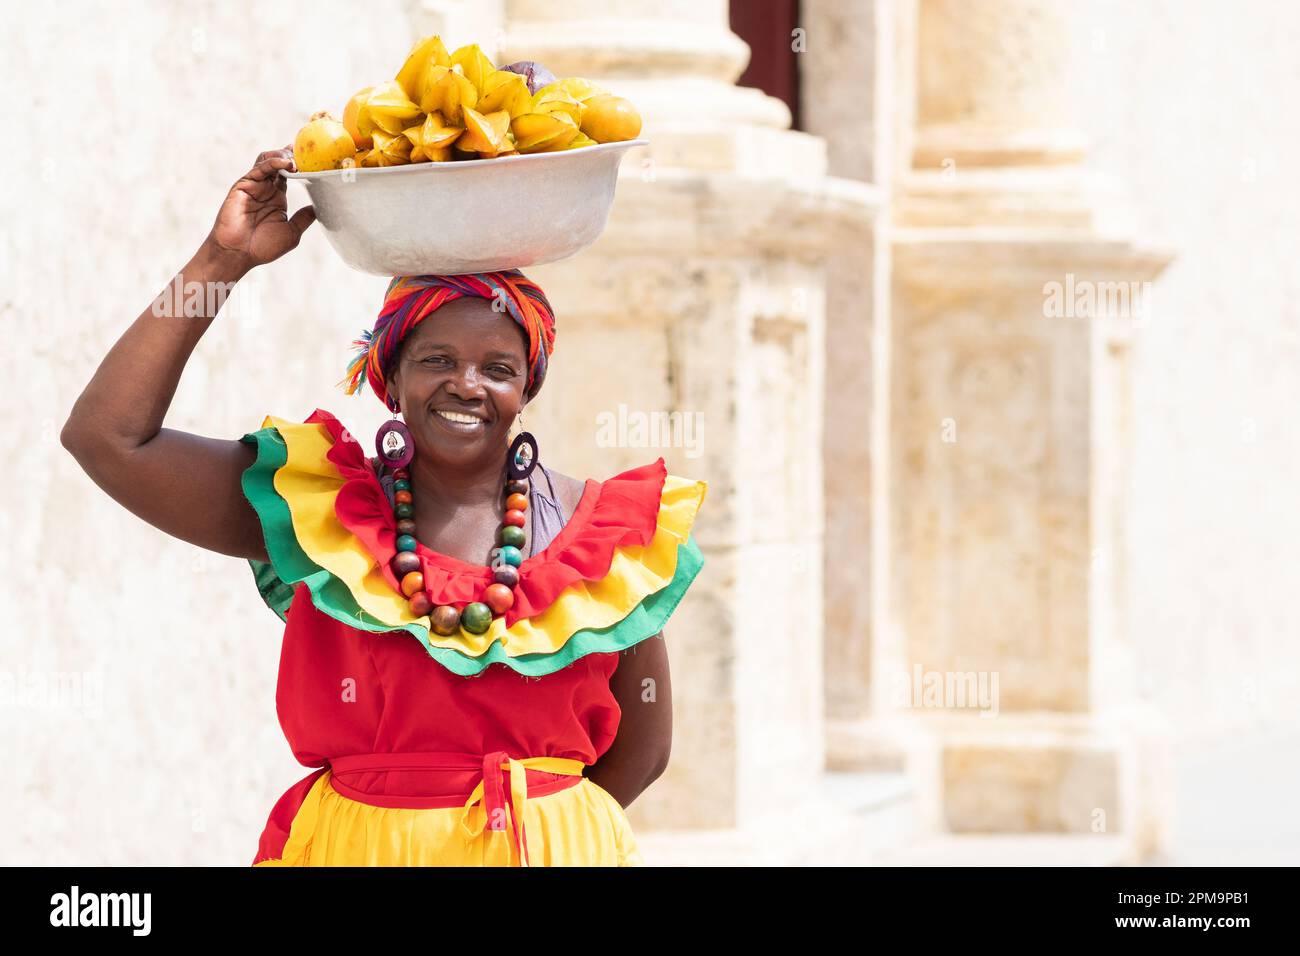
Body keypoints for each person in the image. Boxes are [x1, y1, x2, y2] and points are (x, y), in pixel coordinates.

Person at [60, 147, 707, 866]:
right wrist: (221, 261)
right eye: (435, 360)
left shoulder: (603, 538)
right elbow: (106, 438)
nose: (467, 385)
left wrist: (539, 834)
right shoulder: (315, 514)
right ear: (389, 379)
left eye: (498, 368)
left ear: (528, 390)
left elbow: (644, 751)